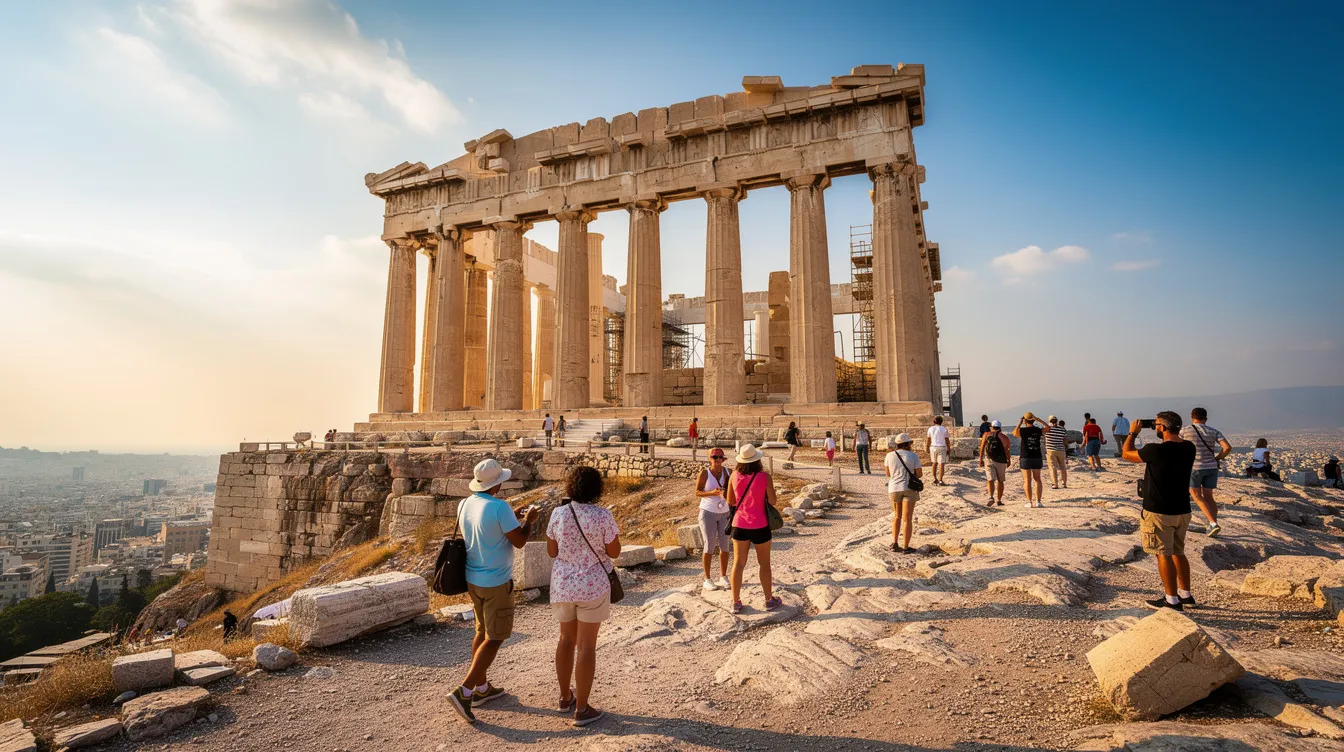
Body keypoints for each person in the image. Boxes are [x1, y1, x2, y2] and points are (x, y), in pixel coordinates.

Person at [448, 459, 540, 724]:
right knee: (496, 637)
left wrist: (514, 515)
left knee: (481, 631)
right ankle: (464, 691)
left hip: (472, 578)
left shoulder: (464, 503)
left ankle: (482, 688)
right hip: (496, 582)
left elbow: (485, 531)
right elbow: (520, 542)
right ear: (497, 483)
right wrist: (530, 521)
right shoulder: (500, 507)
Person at [546, 466, 620, 728]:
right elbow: (614, 551)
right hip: (593, 586)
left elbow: (552, 551)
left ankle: (565, 698)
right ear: (596, 489)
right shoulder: (603, 515)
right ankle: (582, 708)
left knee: (565, 640)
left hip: (563, 586)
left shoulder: (558, 513)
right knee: (586, 647)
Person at [1123, 412, 1197, 611]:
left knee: (1162, 554)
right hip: (1182, 510)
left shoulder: (1154, 450)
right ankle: (1186, 595)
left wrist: (1132, 432)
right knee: (1178, 552)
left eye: (1156, 425)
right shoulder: (1189, 448)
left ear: (1163, 428)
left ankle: (1171, 601)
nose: (1155, 427)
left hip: (1159, 512)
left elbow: (1126, 453)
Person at [725, 444, 782, 614]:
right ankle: (768, 600)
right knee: (764, 564)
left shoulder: (734, 475)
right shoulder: (764, 477)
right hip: (760, 524)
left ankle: (735, 602)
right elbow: (772, 501)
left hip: (739, 524)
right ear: (757, 459)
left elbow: (730, 500)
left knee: (738, 564)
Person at [1181, 407, 1232, 538]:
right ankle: (1212, 524)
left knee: (1196, 496)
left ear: (1192, 417)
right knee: (1209, 497)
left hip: (1195, 467)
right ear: (1206, 418)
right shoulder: (1214, 431)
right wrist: (1217, 458)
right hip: (1211, 467)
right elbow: (1227, 447)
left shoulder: (1185, 431)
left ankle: (1213, 524)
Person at [695, 448, 732, 591]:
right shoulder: (705, 473)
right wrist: (713, 492)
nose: (717, 460)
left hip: (724, 512)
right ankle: (707, 578)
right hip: (708, 511)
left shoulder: (728, 472)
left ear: (723, 459)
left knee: (725, 545)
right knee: (709, 544)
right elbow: (697, 491)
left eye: (720, 457)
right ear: (710, 459)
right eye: (714, 457)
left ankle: (723, 576)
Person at [884, 434, 923, 552]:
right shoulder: (913, 456)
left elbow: (888, 473)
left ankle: (895, 543)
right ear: (907, 444)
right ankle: (906, 547)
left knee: (897, 516)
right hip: (909, 488)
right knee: (907, 519)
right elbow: (919, 474)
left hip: (894, 488)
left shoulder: (889, 455)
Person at [1014, 412, 1046, 506]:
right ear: (1033, 420)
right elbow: (1048, 428)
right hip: (1036, 456)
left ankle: (1029, 501)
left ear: (1025, 421)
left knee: (1027, 480)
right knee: (1037, 479)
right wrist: (1038, 419)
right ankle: (1038, 501)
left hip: (1025, 457)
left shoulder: (1023, 430)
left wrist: (1020, 423)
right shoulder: (1037, 430)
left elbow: (1015, 433)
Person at [978, 420, 1009, 506]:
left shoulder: (986, 435)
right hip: (1001, 461)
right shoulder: (1004, 437)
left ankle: (991, 497)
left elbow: (982, 447)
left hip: (989, 459)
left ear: (991, 427)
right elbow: (1007, 451)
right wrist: (1008, 460)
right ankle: (999, 500)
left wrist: (980, 459)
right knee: (1000, 480)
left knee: (990, 479)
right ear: (1000, 428)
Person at [1045, 416, 1069, 490]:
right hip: (1061, 450)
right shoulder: (1062, 429)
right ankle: (1064, 483)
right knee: (1063, 466)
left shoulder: (1047, 429)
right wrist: (1065, 448)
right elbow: (1065, 440)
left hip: (1050, 450)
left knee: (1052, 467)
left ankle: (1055, 484)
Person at [925, 416, 950, 486]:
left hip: (933, 447)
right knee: (941, 464)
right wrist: (949, 448)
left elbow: (928, 439)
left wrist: (927, 448)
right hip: (942, 447)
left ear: (934, 422)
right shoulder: (944, 429)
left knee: (934, 463)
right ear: (941, 422)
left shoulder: (930, 429)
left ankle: (934, 478)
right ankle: (940, 480)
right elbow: (947, 440)